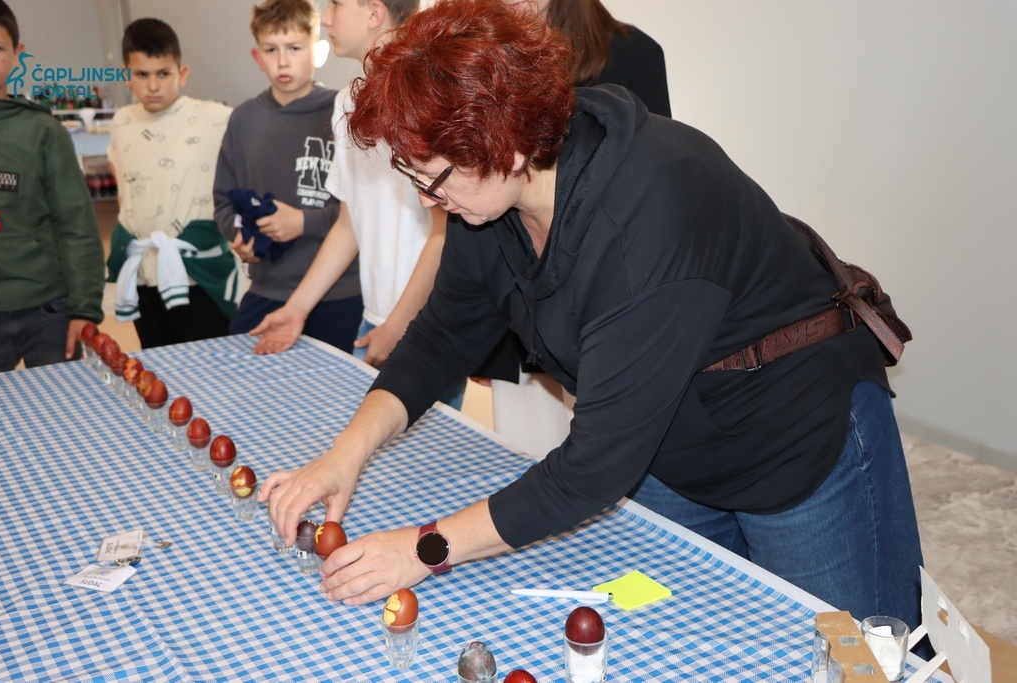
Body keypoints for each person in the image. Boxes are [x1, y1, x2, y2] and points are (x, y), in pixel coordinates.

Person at [260, 0, 924, 636]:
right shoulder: (488, 204)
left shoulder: (648, 212)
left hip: (794, 433)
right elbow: (439, 340)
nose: (429, 200)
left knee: (852, 650)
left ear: (506, 147)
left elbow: (591, 468)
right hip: (667, 442)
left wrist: (425, 547)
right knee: (690, 632)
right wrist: (343, 456)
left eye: (434, 178)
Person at [250, 0, 466, 409]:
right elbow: (348, 226)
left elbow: (446, 234)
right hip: (375, 318)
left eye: (335, 3)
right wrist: (297, 309)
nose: (325, 18)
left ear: (374, 13)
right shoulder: (347, 102)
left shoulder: (431, 94)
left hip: (426, 325)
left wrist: (398, 326)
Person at [479, 0, 671, 456]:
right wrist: (483, 335)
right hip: (517, 303)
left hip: (605, 305)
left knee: (603, 463)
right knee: (524, 460)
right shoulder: (484, 53)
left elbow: (654, 189)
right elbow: (478, 202)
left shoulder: (634, 54)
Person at [213, 0, 362, 354]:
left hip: (340, 293)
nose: (283, 61)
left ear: (318, 52)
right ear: (257, 56)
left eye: (294, 48)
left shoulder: (345, 112)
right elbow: (224, 202)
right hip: (267, 288)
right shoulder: (242, 119)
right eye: (271, 50)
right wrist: (240, 234)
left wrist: (302, 222)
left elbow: (359, 210)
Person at [106, 18, 239, 349]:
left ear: (182, 73)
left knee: (211, 360)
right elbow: (123, 187)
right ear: (127, 75)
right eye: (141, 74)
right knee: (155, 362)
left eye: (163, 73)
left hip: (198, 273)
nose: (153, 85)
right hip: (143, 273)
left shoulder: (217, 118)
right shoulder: (121, 121)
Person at [0, 0, 105, 373]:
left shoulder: (43, 131)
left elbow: (76, 224)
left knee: (63, 404)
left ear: (16, 54)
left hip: (48, 311)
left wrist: (85, 308)